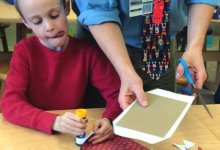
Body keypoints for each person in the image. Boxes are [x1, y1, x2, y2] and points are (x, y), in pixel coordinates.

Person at [0, 0, 122, 145]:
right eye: (37, 21)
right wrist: (55, 122)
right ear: (26, 22)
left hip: (71, 137)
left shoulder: (88, 52)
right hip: (32, 132)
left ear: (66, 7)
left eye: (54, 15)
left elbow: (118, 93)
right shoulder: (24, 51)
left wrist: (109, 119)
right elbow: (10, 104)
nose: (49, 27)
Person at [72, 0, 219, 109]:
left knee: (159, 117)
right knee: (102, 124)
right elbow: (97, 9)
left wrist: (194, 46)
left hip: (160, 41)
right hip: (106, 43)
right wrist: (125, 71)